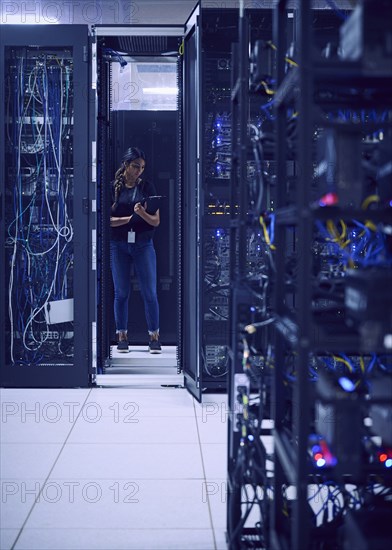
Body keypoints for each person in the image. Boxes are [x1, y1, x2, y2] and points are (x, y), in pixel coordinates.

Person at [110, 147, 162, 353]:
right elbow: (107, 221)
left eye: (142, 167)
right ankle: (122, 336)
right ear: (125, 165)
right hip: (119, 244)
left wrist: (141, 212)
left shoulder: (147, 187)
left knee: (150, 292)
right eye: (135, 166)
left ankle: (154, 337)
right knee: (121, 292)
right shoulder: (113, 187)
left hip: (143, 244)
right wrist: (130, 219)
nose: (139, 170)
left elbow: (156, 221)